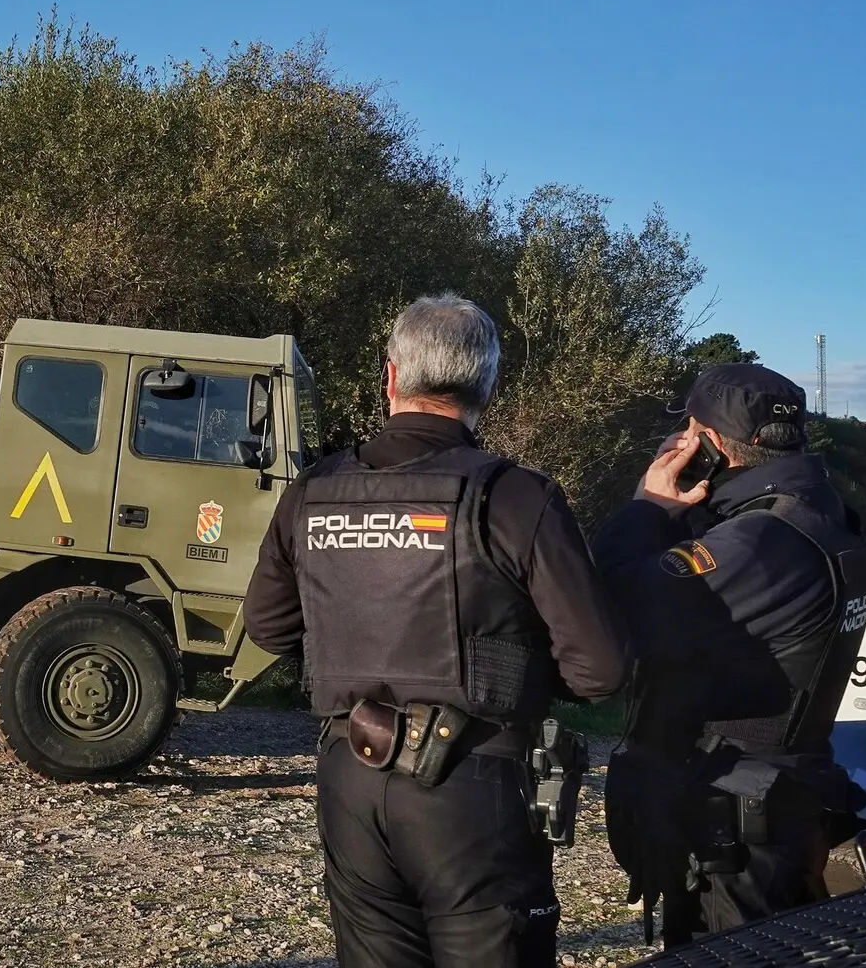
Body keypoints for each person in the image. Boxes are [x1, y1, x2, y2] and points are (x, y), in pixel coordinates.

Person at [244, 294, 629, 968]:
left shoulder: (314, 490)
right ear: (486, 387)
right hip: (473, 783)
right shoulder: (515, 496)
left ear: (390, 378)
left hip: (351, 778)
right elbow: (600, 669)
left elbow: (270, 627)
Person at [593, 363, 866, 946]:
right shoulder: (816, 513)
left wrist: (648, 507)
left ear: (712, 446)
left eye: (690, 433)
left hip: (737, 824)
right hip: (776, 800)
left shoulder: (758, 541)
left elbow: (613, 604)